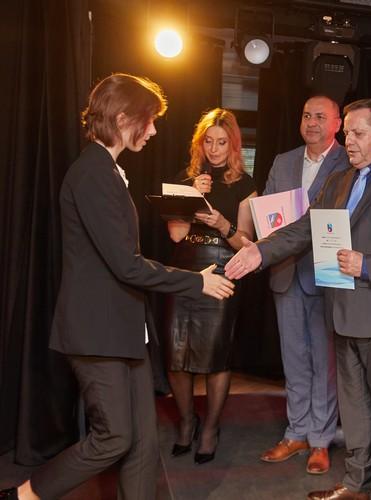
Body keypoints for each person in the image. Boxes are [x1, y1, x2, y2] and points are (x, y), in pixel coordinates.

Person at [0, 74, 234, 500]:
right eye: (149, 120)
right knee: (114, 438)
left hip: (124, 330)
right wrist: (196, 281)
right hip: (96, 332)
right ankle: (24, 495)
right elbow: (126, 265)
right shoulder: (92, 172)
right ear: (124, 118)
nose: (154, 130)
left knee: (143, 444)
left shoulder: (108, 170)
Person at [225, 99, 371, 500]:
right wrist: (260, 252)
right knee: (355, 408)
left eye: (359, 133)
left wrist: (369, 265)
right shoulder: (339, 181)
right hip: (341, 312)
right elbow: (303, 229)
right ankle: (357, 484)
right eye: (347, 133)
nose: (349, 141)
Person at [258, 96, 348, 474]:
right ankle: (295, 433)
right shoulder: (284, 161)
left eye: (320, 117)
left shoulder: (349, 162)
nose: (311, 122)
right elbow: (268, 211)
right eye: (306, 115)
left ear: (337, 124)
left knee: (324, 363)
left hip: (327, 274)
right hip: (286, 271)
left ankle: (320, 440)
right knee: (294, 359)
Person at [164, 108, 257, 465]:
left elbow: (247, 244)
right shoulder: (183, 180)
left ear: (233, 145)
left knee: (217, 356)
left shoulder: (245, 184)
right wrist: (189, 195)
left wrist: (222, 224)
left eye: (222, 142)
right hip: (184, 269)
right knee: (176, 356)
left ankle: (210, 429)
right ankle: (187, 420)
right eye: (209, 142)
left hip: (223, 267)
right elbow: (176, 235)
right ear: (199, 144)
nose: (214, 149)